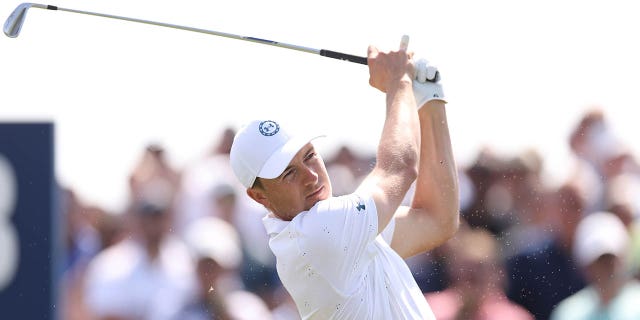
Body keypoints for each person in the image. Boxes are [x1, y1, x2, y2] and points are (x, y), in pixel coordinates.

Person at [229, 36, 460, 319]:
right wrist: (397, 81)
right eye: (289, 173)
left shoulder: (340, 227)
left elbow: (437, 220)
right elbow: (399, 168)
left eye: (309, 156)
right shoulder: (317, 233)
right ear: (259, 196)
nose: (311, 176)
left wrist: (429, 99)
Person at [425, 226, 534, 320]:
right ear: (453, 270)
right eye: (466, 267)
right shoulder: (430, 310)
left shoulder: (513, 317)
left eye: (481, 268)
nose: (472, 274)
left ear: (498, 273)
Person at [550, 211, 640, 320]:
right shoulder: (568, 313)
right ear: (585, 267)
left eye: (609, 259)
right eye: (598, 261)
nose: (606, 268)